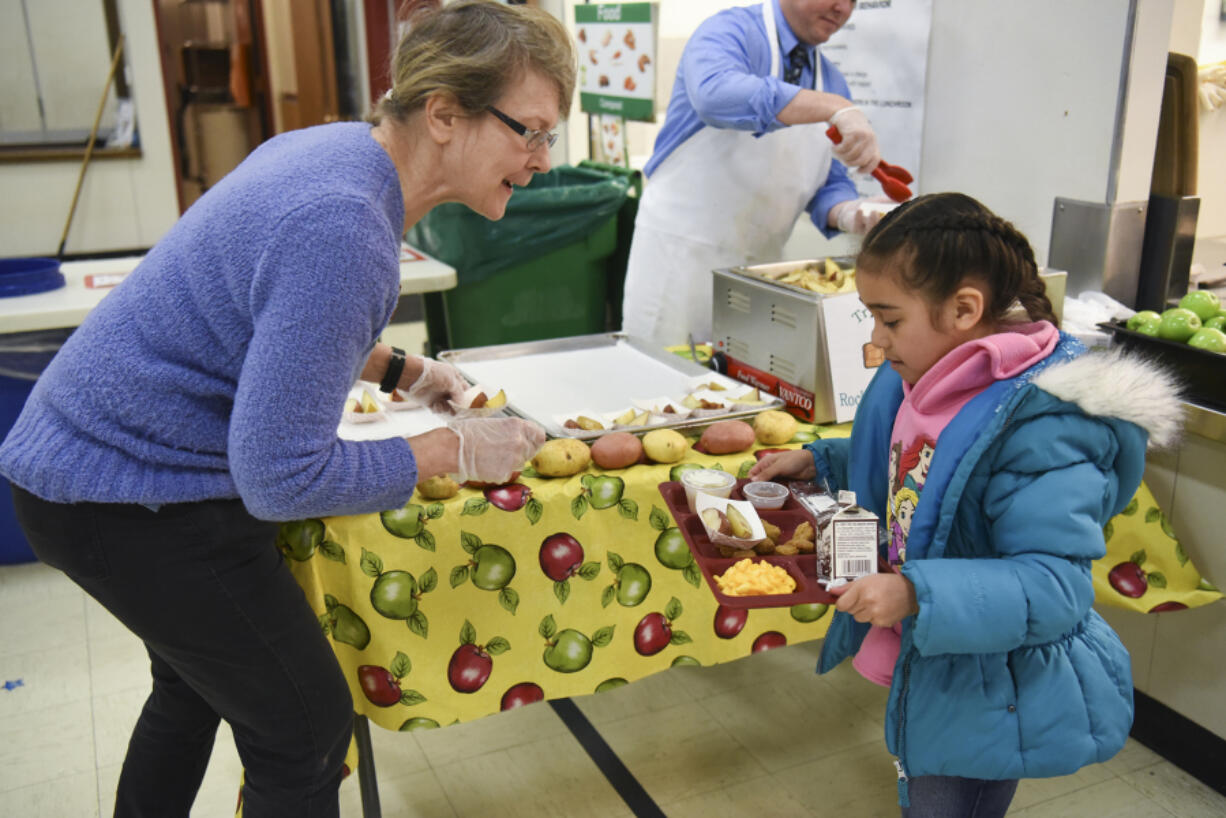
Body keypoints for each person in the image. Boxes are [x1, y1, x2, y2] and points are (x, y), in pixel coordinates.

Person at [0, 2, 573, 815]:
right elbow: (279, 477)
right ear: (446, 114)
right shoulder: (345, 227)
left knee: (195, 688)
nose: (544, 159)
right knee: (303, 731)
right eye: (533, 132)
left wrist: (401, 369)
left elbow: (265, 312)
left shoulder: (339, 150)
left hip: (78, 460)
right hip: (126, 493)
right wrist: (451, 453)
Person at [749, 192, 1183, 817]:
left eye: (889, 319)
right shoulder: (930, 374)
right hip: (940, 656)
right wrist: (824, 461)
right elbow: (926, 472)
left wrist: (916, 594)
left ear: (964, 308)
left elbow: (1054, 586)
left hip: (989, 683)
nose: (875, 341)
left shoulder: (1047, 428)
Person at [621, 0, 888, 347]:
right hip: (679, 263)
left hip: (757, 278)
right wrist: (833, 107)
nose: (842, 9)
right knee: (659, 386)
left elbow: (828, 181)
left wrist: (851, 213)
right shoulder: (729, 33)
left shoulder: (833, 83)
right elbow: (715, 95)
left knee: (740, 390)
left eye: (854, 0)